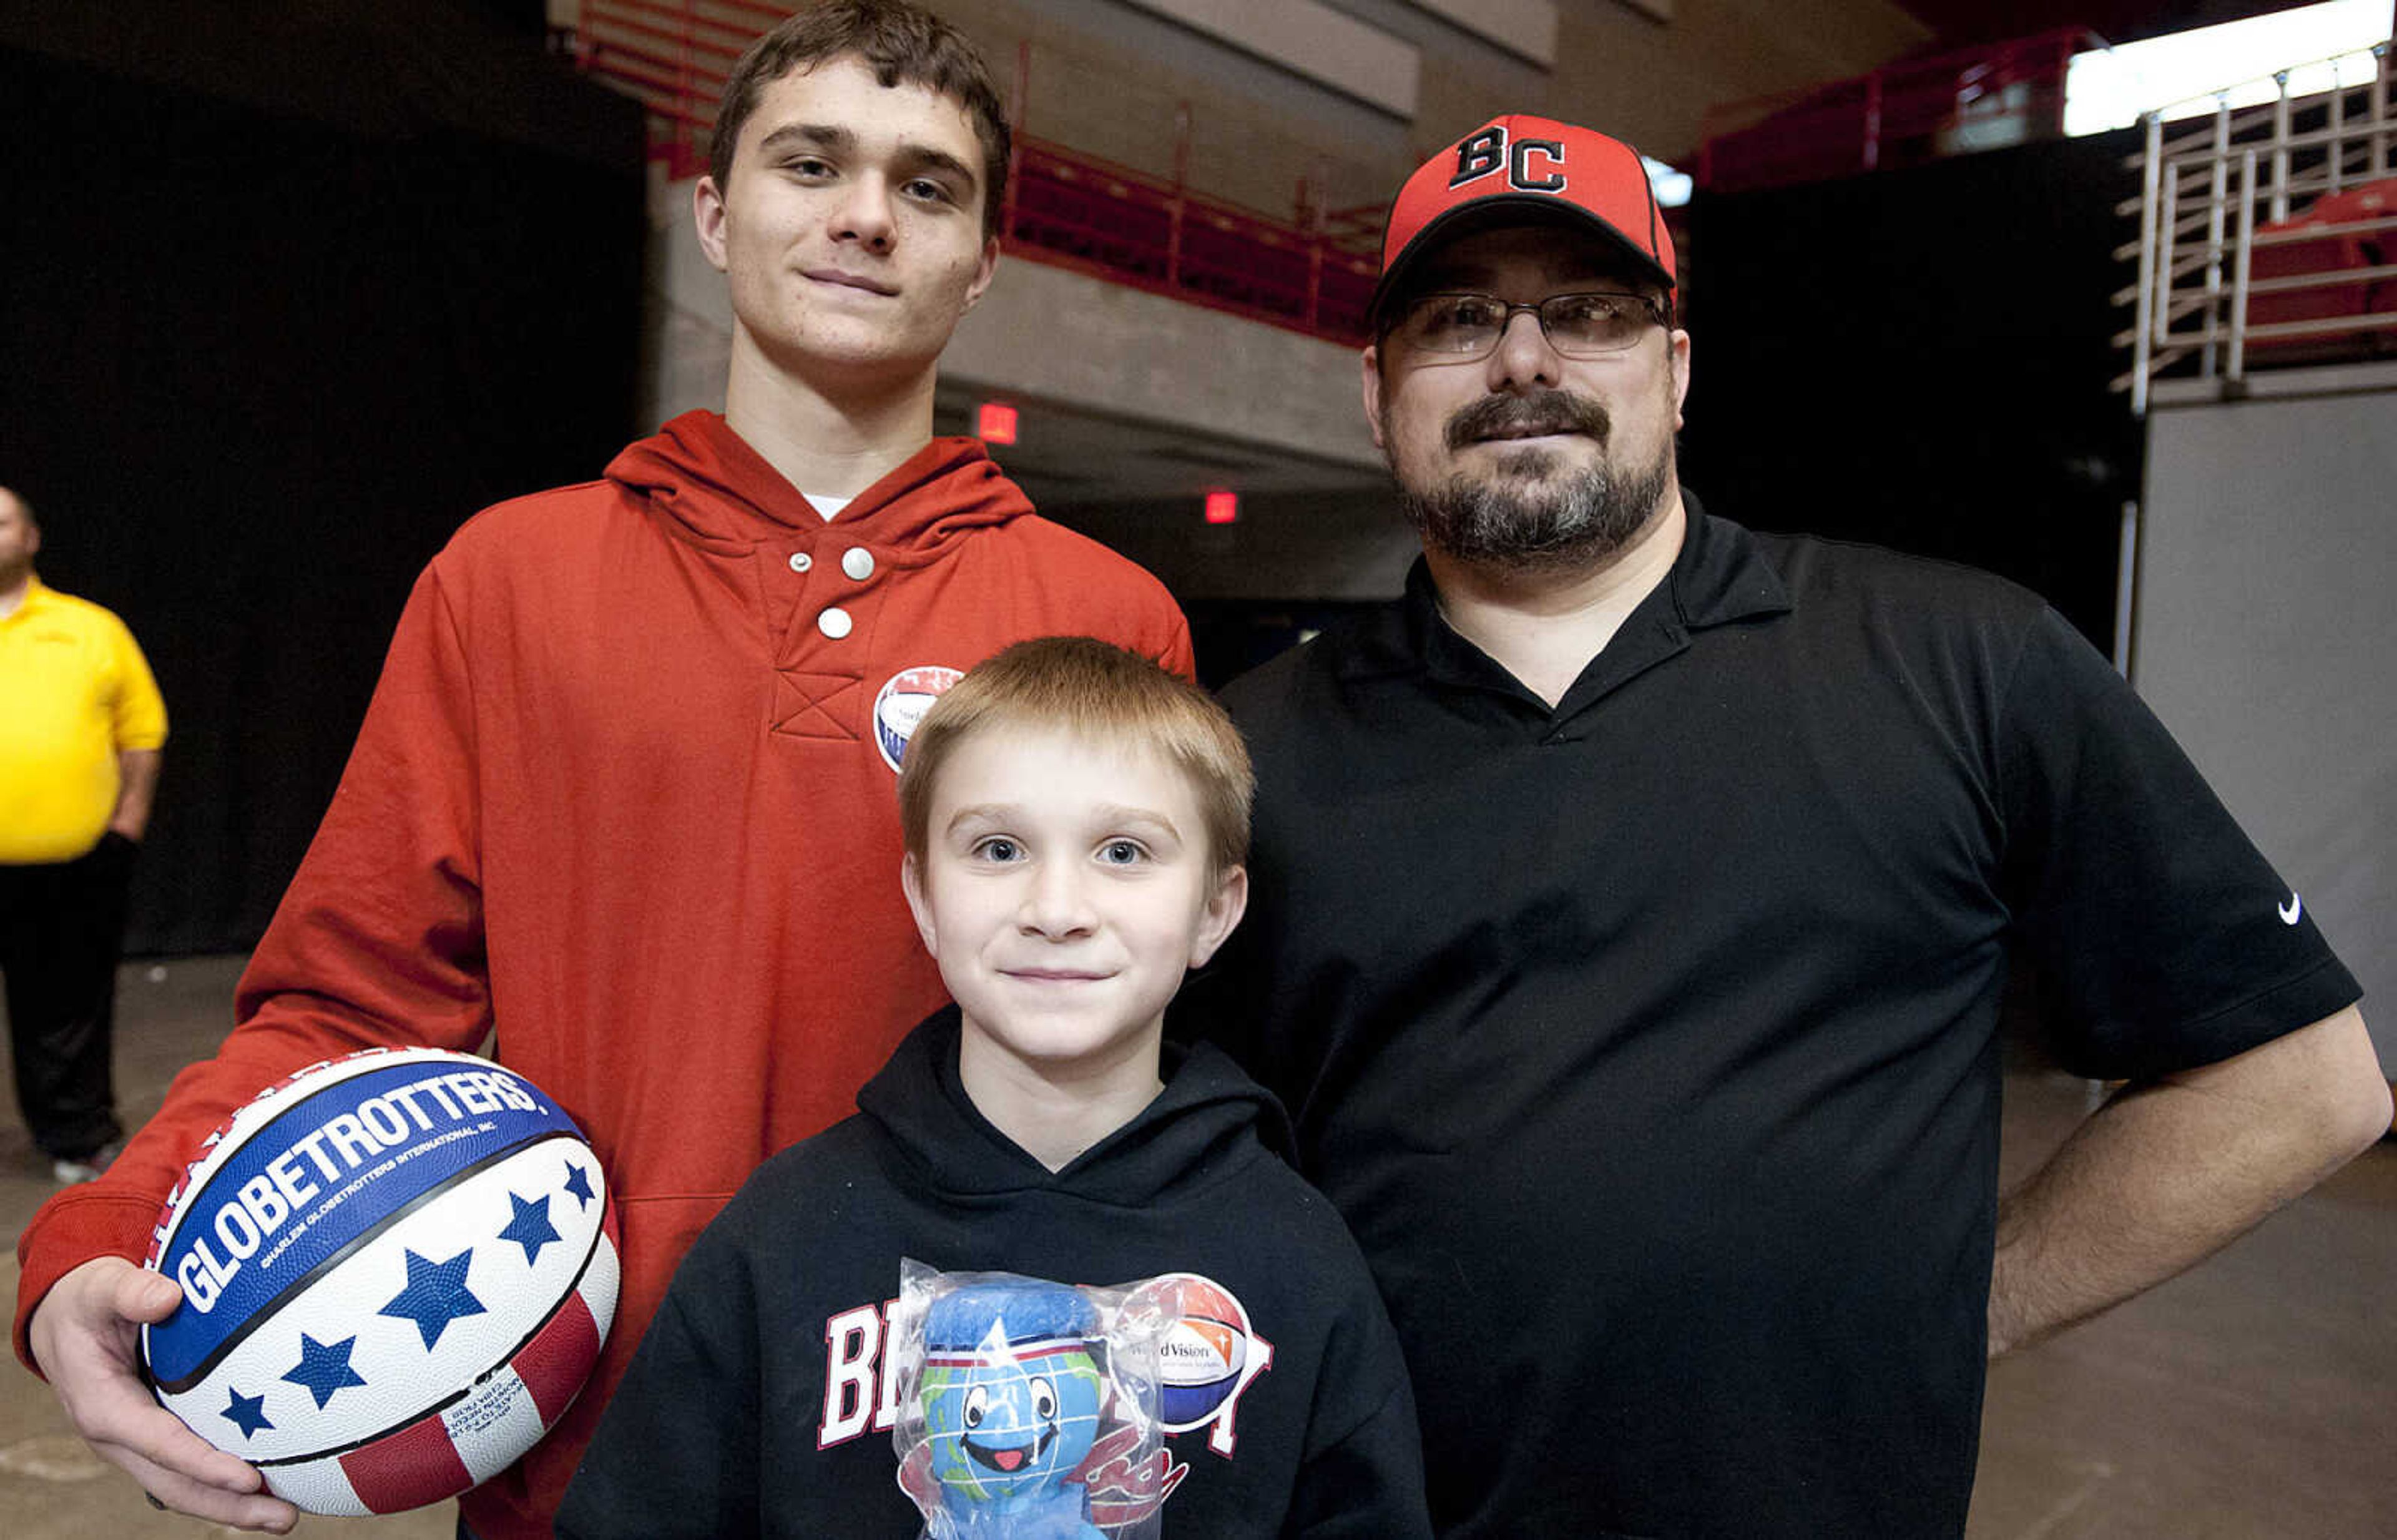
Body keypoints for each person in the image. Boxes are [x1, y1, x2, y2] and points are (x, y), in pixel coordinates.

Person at [14, 6, 1191, 1536]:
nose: (859, 214)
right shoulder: (510, 579)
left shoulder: (1106, 617)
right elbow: (348, 1005)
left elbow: (1165, 1062)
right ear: (711, 214)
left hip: (974, 1446)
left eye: (925, 186)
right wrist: (110, 1226)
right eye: (809, 162)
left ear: (982, 259)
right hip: (591, 1449)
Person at [1179, 114, 2391, 1538]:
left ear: (1676, 373)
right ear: (1372, 392)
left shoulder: (1956, 663)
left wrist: (1964, 1302)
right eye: (1457, 320)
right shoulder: (1243, 753)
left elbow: (2303, 1085)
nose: (1522, 360)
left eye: (1586, 311)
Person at [556, 637, 1431, 1538]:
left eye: (1124, 851)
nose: (1056, 909)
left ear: (1216, 909)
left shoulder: (1295, 1252)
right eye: (999, 846)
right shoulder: (783, 1232)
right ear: (925, 897)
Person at [0, 485, 165, 1185]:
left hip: (70, 867)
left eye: (1, 520)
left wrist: (127, 820)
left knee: (67, 1011)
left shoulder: (91, 627)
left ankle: (79, 1134)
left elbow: (144, 729)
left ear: (31, 536)